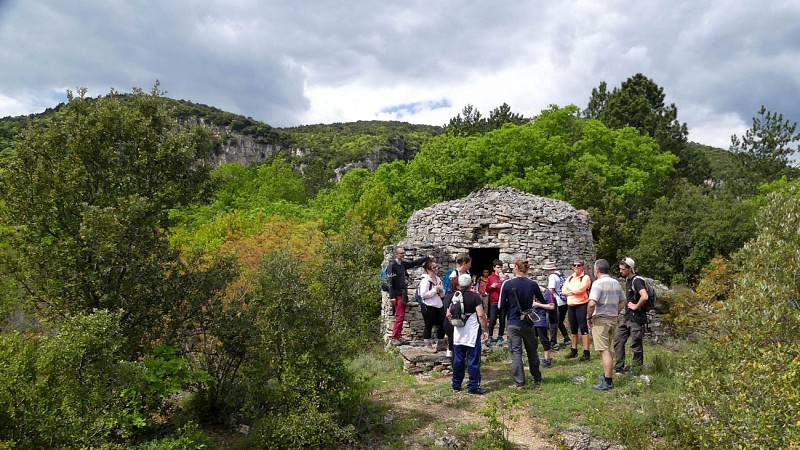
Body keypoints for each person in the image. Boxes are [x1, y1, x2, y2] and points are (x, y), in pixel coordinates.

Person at [499, 259, 547, 387]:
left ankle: (519, 382)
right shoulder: (532, 284)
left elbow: (501, 305)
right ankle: (537, 377)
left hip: (514, 322)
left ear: (515, 267)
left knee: (516, 353)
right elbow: (542, 300)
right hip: (528, 322)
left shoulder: (507, 284)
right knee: (532, 351)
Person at [447, 273, 490, 394]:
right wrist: (485, 330)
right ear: (471, 283)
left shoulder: (454, 296)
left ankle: (456, 384)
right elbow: (481, 315)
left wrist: (455, 323)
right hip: (472, 332)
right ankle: (472, 387)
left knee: (458, 359)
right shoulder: (475, 297)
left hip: (458, 332)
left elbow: (448, 314)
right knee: (473, 360)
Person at [587, 259, 626, 390]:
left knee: (604, 351)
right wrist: (616, 312)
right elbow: (623, 300)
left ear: (596, 270)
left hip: (601, 320)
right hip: (612, 319)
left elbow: (592, 303)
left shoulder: (597, 284)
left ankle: (608, 382)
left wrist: (589, 317)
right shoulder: (615, 283)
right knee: (607, 348)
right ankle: (606, 374)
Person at [387, 247, 431, 346]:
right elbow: (389, 282)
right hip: (397, 294)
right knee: (400, 316)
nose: (403, 255)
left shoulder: (403, 264)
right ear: (396, 254)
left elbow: (414, 263)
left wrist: (427, 258)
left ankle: (398, 337)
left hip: (402, 294)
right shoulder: (392, 265)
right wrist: (392, 296)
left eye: (404, 253)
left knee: (400, 316)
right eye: (401, 253)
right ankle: (394, 338)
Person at [613, 257, 649, 374]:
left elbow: (644, 296)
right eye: (620, 269)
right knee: (618, 341)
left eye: (623, 269)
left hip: (636, 318)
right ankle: (619, 367)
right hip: (627, 317)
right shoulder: (628, 280)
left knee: (636, 345)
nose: (621, 271)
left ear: (630, 268)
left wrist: (636, 306)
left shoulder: (637, 281)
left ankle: (637, 370)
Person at [562, 260, 592, 361]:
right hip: (571, 305)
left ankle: (586, 352)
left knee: (583, 328)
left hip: (582, 305)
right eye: (574, 265)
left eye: (579, 265)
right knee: (573, 328)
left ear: (583, 266)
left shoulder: (585, 277)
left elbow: (581, 290)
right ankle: (573, 350)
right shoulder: (570, 278)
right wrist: (572, 292)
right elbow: (563, 290)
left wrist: (571, 291)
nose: (576, 267)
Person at [443, 253, 472, 357]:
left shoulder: (468, 273)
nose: (470, 266)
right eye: (469, 264)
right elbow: (447, 289)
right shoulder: (452, 274)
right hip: (454, 302)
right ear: (464, 263)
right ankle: (451, 348)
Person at [418, 259, 446, 352]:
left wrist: (441, 291)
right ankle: (428, 345)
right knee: (428, 325)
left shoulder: (438, 279)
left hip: (438, 305)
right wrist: (434, 290)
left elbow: (442, 295)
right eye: (434, 267)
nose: (436, 269)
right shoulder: (425, 281)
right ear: (428, 269)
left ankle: (441, 343)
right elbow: (423, 295)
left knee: (442, 324)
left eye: (436, 267)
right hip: (428, 305)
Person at [543, 261, 570, 350]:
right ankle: (566, 338)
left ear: (549, 270)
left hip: (557, 302)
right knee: (560, 321)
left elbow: (550, 290)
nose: (545, 272)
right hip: (564, 301)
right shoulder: (561, 275)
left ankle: (553, 342)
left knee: (553, 322)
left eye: (546, 270)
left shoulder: (552, 276)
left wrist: (542, 290)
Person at [485, 259, 508, 347]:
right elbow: (486, 289)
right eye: (498, 267)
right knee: (492, 320)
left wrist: (506, 280)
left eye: (501, 267)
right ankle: (490, 336)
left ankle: (500, 337)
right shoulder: (490, 278)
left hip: (503, 301)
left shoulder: (504, 277)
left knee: (502, 321)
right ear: (494, 268)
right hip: (494, 301)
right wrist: (491, 286)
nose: (500, 269)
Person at [536, 287, 557, 368]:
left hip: (541, 319)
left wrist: (538, 304)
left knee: (544, 340)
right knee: (532, 341)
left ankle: (547, 359)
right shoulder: (530, 292)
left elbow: (552, 306)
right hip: (531, 319)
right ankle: (535, 359)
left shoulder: (547, 293)